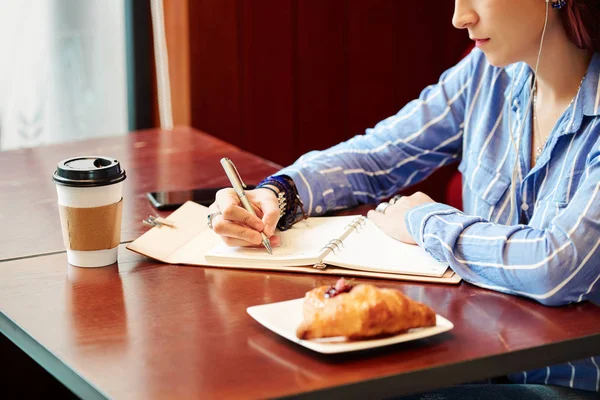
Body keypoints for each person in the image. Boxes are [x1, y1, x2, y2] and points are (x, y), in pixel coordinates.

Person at [209, 0, 599, 397]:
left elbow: (556, 266)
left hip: (564, 384)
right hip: (472, 358)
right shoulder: (487, 73)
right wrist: (280, 192)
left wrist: (424, 220)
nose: (459, 17)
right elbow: (382, 154)